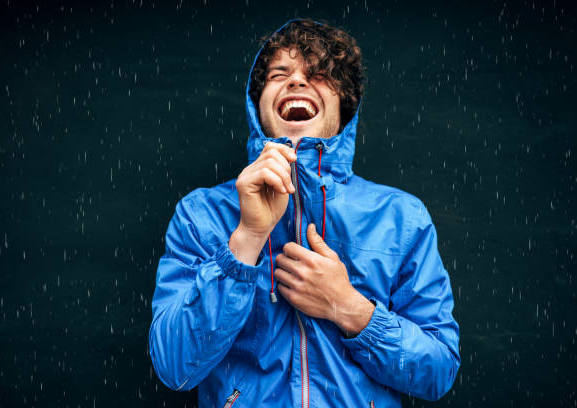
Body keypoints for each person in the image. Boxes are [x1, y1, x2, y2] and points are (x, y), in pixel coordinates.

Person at [149, 19, 460, 408]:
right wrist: (246, 241)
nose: (296, 82)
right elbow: (175, 366)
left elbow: (438, 370)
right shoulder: (200, 214)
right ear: (257, 105)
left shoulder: (402, 217)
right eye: (280, 74)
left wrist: (348, 307)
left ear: (343, 107)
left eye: (317, 75)